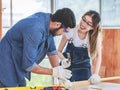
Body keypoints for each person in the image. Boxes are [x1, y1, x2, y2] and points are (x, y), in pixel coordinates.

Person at [0, 8, 76, 87]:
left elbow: (52, 52)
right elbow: (29, 65)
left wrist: (60, 74)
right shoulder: (35, 29)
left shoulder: (49, 23)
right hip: (5, 68)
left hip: (17, 68)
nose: (64, 34)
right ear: (57, 24)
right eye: (65, 31)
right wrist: (54, 72)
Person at [58, 10, 102, 84]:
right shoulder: (70, 30)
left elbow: (98, 57)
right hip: (68, 69)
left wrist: (95, 74)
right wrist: (63, 60)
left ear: (93, 28)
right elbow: (58, 51)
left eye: (88, 23)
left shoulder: (93, 37)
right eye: (84, 19)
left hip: (84, 70)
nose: (83, 24)